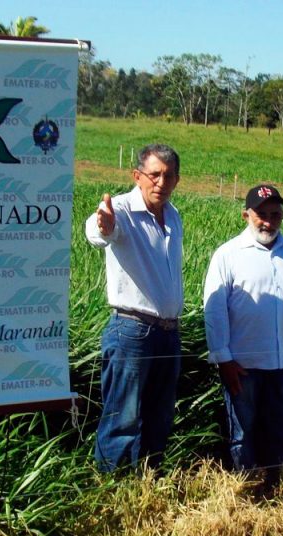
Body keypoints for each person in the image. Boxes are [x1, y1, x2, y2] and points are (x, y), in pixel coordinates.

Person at [203, 185, 283, 479]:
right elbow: (214, 311)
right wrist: (223, 359)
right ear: (246, 215)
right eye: (261, 215)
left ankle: (281, 483)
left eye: (275, 215)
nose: (268, 222)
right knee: (244, 428)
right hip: (243, 366)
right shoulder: (227, 255)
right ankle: (248, 486)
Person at [85, 143, 183, 472]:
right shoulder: (122, 210)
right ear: (137, 176)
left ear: (177, 181)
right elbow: (99, 232)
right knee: (122, 418)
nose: (161, 182)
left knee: (160, 416)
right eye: (154, 175)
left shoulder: (173, 215)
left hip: (168, 332)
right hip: (132, 330)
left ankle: (147, 483)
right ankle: (112, 488)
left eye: (168, 176)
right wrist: (104, 226)